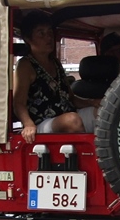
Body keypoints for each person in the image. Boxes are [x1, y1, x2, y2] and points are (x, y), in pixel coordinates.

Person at [13, 11, 96, 143]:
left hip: (67, 115)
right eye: (41, 33)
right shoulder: (25, 65)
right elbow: (18, 103)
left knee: (102, 113)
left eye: (50, 32)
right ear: (28, 39)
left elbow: (71, 98)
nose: (48, 37)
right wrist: (28, 124)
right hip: (42, 123)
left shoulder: (55, 62)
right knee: (72, 120)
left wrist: (93, 102)